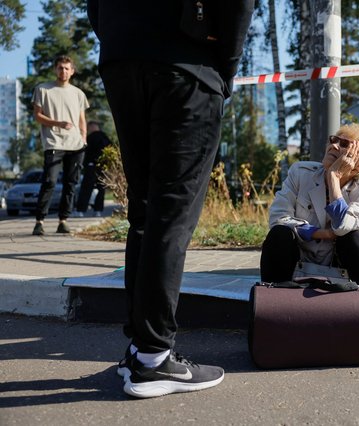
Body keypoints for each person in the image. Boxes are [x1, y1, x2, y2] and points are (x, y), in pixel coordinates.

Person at [87, 0, 254, 398]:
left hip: (123, 58)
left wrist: (123, 34)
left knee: (145, 211)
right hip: (187, 63)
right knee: (170, 215)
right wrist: (223, 71)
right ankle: (154, 358)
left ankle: (140, 348)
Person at [260, 123, 359, 355]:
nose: (333, 145)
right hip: (299, 255)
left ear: (358, 165)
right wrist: (318, 233)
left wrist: (334, 178)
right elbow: (278, 218)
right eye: (333, 139)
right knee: (279, 235)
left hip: (340, 265)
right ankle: (270, 315)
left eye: (344, 144)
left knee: (354, 237)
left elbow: (343, 227)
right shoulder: (301, 173)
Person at [32, 55, 89, 236]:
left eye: (66, 68)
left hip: (76, 144)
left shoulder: (78, 93)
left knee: (70, 183)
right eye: (60, 68)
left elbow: (82, 119)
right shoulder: (43, 90)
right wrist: (58, 123)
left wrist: (84, 137)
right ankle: (39, 221)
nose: (63, 71)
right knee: (49, 181)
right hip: (53, 142)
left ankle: (63, 220)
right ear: (55, 69)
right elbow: (38, 116)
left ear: (72, 71)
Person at [76, 121, 111, 217]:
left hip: (91, 166)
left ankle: (80, 210)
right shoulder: (106, 138)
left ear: (93, 126)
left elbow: (85, 151)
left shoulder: (91, 138)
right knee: (101, 188)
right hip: (103, 167)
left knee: (86, 188)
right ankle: (98, 210)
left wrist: (87, 163)